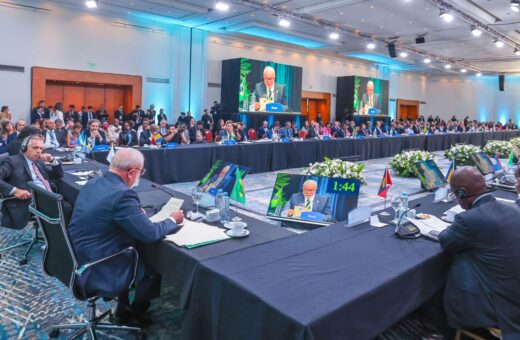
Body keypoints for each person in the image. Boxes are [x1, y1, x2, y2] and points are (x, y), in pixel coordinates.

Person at [67, 148, 184, 326]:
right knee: (152, 262)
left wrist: (135, 213)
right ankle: (133, 312)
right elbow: (150, 234)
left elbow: (106, 212)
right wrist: (172, 220)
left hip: (75, 254)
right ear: (132, 172)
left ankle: (125, 306)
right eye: (141, 172)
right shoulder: (123, 194)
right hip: (99, 264)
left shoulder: (94, 182)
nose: (139, 176)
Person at [439, 167, 520, 337]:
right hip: (514, 292)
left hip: (499, 307)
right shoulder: (514, 209)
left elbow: (447, 241)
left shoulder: (468, 220)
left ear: (461, 193)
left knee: (454, 266)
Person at [0, 135, 63, 228]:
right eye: (35, 148)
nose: (39, 151)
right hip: (29, 202)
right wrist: (15, 190)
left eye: (41, 148)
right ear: (24, 148)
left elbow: (57, 175)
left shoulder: (39, 162)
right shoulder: (12, 161)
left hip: (48, 197)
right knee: (68, 208)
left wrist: (52, 160)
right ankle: (55, 237)